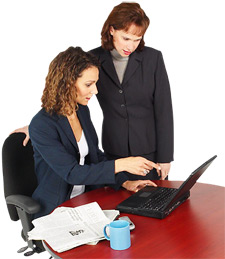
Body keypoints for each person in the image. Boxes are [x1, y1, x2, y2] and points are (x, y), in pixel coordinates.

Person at [12, 2, 173, 192]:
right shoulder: (92, 60)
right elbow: (63, 88)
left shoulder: (152, 59)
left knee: (154, 202)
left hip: (148, 147)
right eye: (126, 38)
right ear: (112, 30)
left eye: (137, 39)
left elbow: (164, 109)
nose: (131, 45)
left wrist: (164, 157)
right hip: (113, 147)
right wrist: (37, 126)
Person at [28, 46, 160, 218]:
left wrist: (125, 182)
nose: (95, 91)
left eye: (96, 83)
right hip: (57, 209)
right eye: (89, 84)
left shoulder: (81, 111)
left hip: (87, 201)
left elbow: (95, 157)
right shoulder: (42, 125)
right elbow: (72, 173)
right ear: (67, 83)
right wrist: (122, 164)